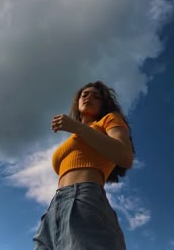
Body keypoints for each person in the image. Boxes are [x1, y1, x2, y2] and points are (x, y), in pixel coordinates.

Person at [33, 81, 135, 250]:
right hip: (53, 209)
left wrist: (77, 127)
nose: (89, 97)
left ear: (103, 104)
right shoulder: (76, 135)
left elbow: (125, 156)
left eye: (97, 96)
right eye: (84, 94)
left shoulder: (108, 120)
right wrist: (77, 128)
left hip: (85, 198)